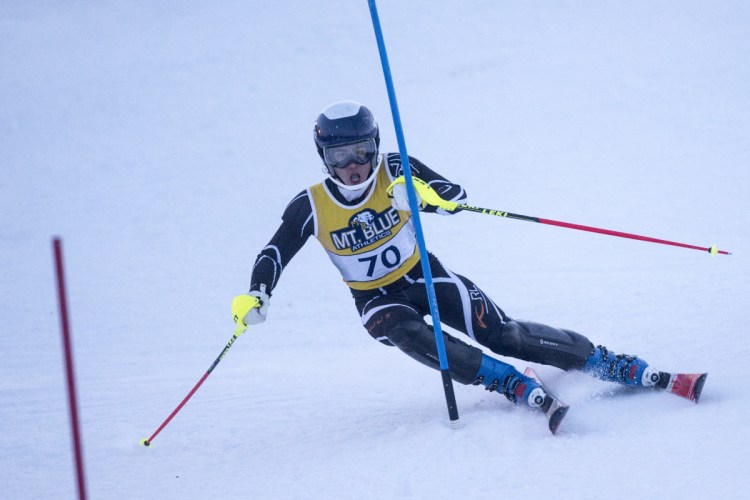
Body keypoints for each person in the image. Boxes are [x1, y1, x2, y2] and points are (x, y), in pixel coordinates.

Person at [232, 101, 703, 429]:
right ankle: (508, 383)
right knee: (408, 332)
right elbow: (273, 252)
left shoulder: (395, 168)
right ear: (324, 157)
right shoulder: (311, 204)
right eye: (340, 156)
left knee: (505, 334)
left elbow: (454, 196)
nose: (354, 165)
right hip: (376, 299)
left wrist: (420, 196)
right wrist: (257, 292)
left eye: (360, 152)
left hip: (425, 274)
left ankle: (611, 364)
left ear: (373, 144)